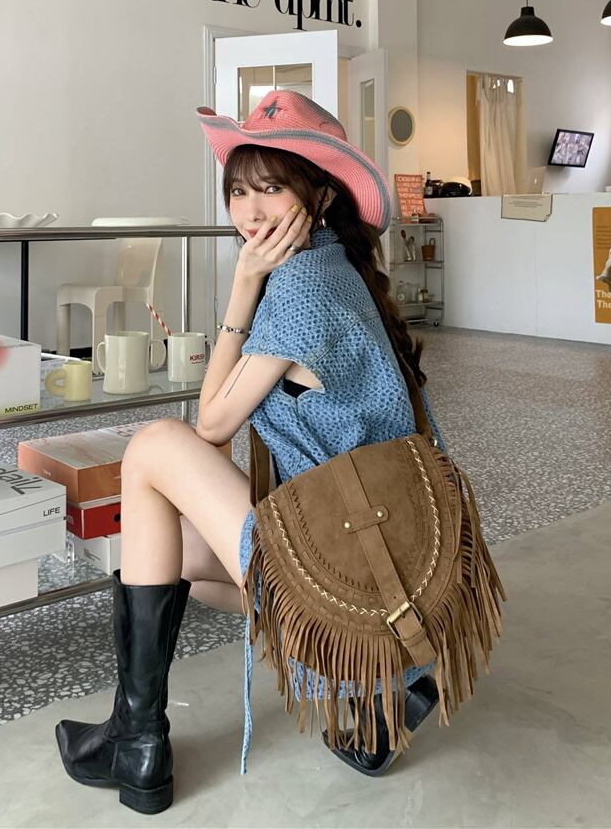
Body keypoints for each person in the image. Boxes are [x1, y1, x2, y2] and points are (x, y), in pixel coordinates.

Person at [55, 91, 447, 815]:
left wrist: (242, 281)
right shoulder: (336, 266)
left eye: (272, 187)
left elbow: (209, 425)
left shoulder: (299, 287)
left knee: (154, 446)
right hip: (376, 556)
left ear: (318, 195)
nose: (252, 211)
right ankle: (371, 689)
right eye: (239, 190)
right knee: (172, 556)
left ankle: (138, 740)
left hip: (348, 559)